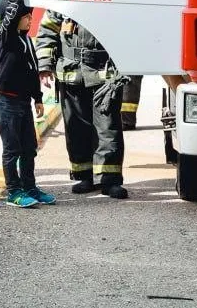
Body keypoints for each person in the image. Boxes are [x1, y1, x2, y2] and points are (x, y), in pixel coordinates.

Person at [37, 12, 129, 199]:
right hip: (71, 73)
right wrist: (45, 65)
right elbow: (47, 29)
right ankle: (84, 175)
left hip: (105, 75)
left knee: (107, 128)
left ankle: (110, 179)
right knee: (76, 129)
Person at [0, 0, 56, 209]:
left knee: (29, 147)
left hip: (23, 102)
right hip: (7, 101)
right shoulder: (4, 36)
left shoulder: (25, 40)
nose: (30, 18)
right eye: (26, 16)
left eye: (31, 15)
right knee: (13, 149)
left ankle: (30, 186)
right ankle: (14, 191)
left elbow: (31, 72)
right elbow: (13, 9)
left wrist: (38, 98)